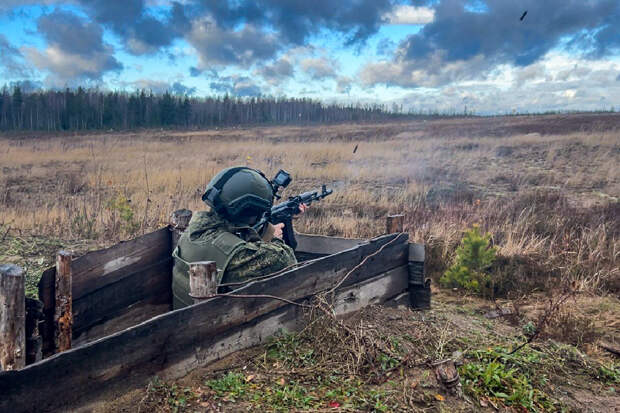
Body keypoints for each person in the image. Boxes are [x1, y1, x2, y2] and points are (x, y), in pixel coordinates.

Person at [172, 166, 307, 309]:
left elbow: (230, 235)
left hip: (181, 318)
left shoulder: (193, 231)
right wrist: (271, 236)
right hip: (215, 327)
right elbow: (287, 261)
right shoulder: (237, 254)